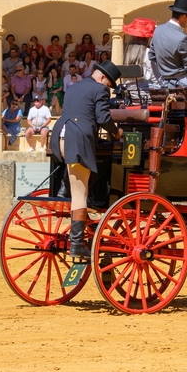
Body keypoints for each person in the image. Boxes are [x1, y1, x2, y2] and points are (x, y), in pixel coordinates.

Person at [51, 60, 124, 260]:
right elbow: (103, 118)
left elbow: (81, 112)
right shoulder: (100, 89)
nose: (108, 88)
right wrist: (116, 132)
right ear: (102, 77)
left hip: (60, 137)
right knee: (80, 194)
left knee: (77, 178)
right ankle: (76, 244)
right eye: (109, 84)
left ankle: (64, 186)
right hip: (77, 140)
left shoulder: (74, 87)